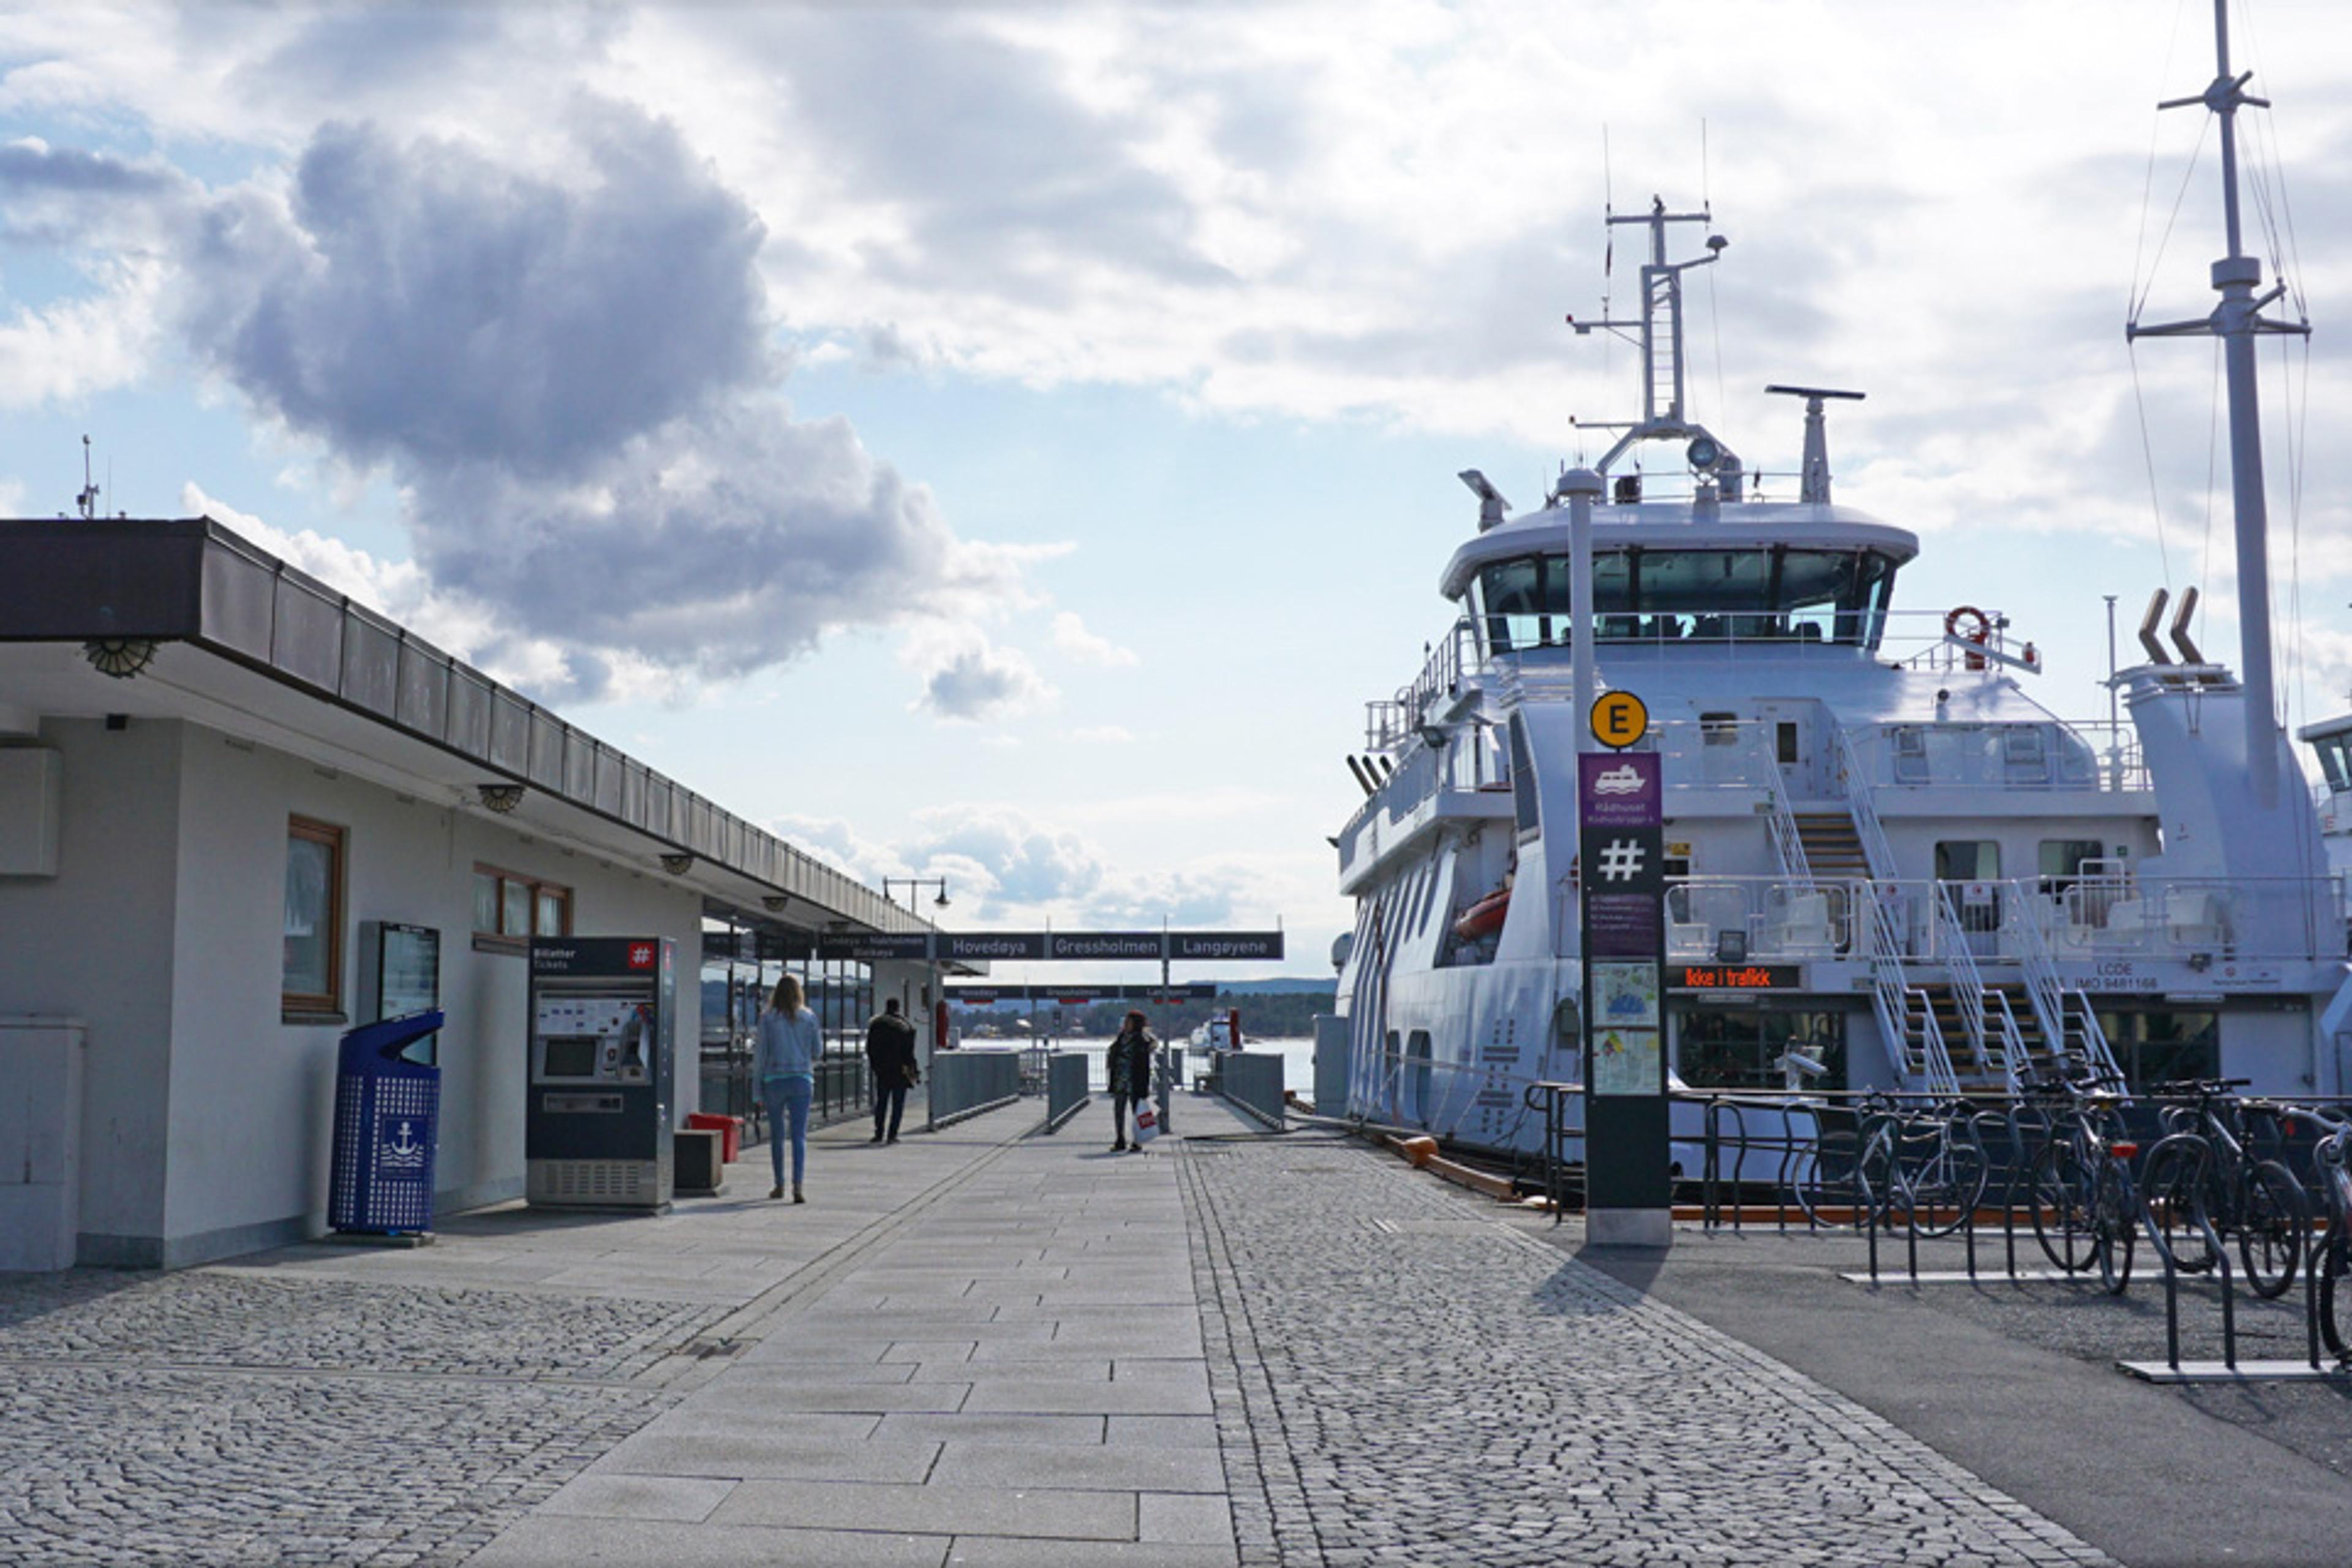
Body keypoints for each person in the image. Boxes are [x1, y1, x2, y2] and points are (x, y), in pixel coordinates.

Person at [756, 974, 821, 1202]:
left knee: (777, 1136)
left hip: (774, 1080)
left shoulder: (767, 1019)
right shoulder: (809, 1017)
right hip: (802, 1079)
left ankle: (779, 1184)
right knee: (799, 1135)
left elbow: (760, 1055)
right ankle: (798, 1186)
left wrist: (757, 1089)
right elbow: (818, 1051)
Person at [865, 997, 918, 1145]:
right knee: (897, 1104)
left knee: (881, 1103)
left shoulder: (876, 1026)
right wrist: (912, 1069)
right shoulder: (905, 1027)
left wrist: (876, 1067)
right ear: (898, 1008)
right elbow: (909, 1052)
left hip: (882, 1071)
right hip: (900, 1071)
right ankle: (892, 1135)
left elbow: (870, 1049)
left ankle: (878, 1133)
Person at [1106, 1009, 1157, 1152]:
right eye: (1126, 1022)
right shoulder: (1121, 1038)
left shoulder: (1142, 1040)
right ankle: (1120, 1139)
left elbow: (1145, 1065)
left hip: (1135, 1081)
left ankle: (1137, 1141)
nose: (1126, 1025)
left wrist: (1144, 1086)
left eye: (1129, 1022)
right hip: (1120, 1080)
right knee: (1118, 1111)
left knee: (1137, 1112)